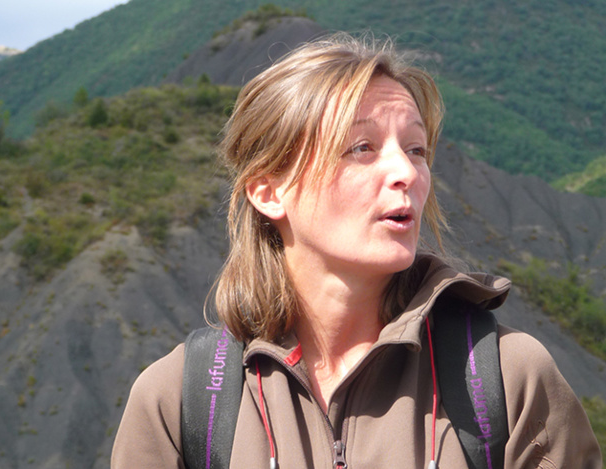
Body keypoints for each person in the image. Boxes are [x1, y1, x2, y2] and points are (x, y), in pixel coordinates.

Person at [111, 34, 602, 468]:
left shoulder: (507, 379)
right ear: (269, 190)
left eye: (416, 149)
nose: (406, 173)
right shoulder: (182, 401)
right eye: (361, 147)